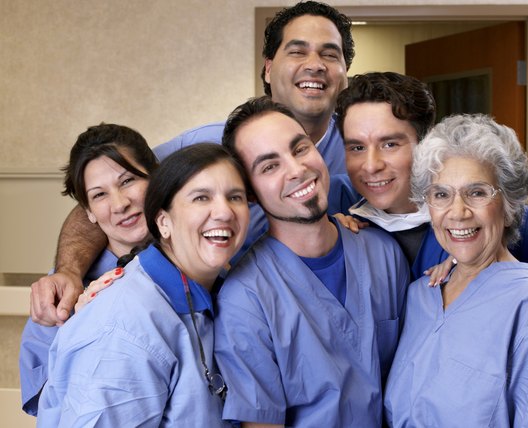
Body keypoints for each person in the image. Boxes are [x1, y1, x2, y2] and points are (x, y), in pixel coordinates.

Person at [29, 0, 354, 326]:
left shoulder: (360, 151)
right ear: (268, 68)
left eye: (329, 54)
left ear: (343, 74)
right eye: (298, 51)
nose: (315, 64)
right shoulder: (205, 146)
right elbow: (112, 195)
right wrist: (69, 271)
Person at [214, 97, 409, 427]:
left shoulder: (384, 253)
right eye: (270, 166)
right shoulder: (244, 300)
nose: (296, 169)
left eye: (300, 149)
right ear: (249, 192)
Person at [37, 143, 250, 426]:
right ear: (163, 222)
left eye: (235, 197)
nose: (223, 212)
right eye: (201, 198)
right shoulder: (124, 327)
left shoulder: (220, 291)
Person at [384, 114, 528, 427]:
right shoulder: (421, 295)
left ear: (509, 204)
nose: (457, 212)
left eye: (477, 192)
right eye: (441, 194)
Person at [334, 71, 528, 278]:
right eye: (357, 147)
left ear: (425, 143)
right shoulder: (342, 219)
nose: (371, 165)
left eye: (390, 145)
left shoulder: (495, 219)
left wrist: (480, 263)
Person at [19, 123, 158, 416]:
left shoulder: (203, 265)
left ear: (156, 176)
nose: (120, 204)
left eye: (127, 180)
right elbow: (53, 408)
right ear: (89, 213)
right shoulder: (58, 298)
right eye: (99, 195)